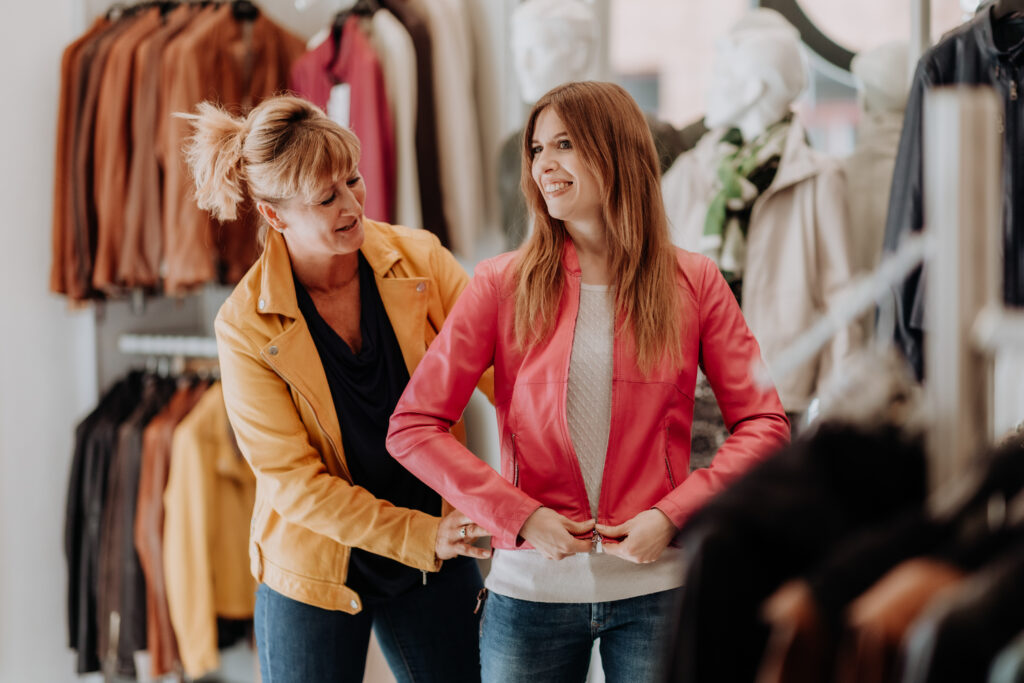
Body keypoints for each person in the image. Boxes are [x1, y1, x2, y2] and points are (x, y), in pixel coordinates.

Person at [387, 81, 791, 682]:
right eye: (536, 149)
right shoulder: (501, 283)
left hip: (659, 592)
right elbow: (413, 427)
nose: (543, 165)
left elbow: (765, 425)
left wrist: (675, 514)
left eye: (565, 144)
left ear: (617, 151)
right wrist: (519, 516)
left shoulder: (694, 282)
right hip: (530, 594)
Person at [182, 95, 491, 683]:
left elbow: (506, 369)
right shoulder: (245, 324)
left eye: (353, 180)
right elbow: (295, 485)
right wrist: (423, 533)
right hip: (316, 565)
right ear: (276, 217)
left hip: (438, 547)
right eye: (327, 198)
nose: (353, 205)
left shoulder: (418, 258)